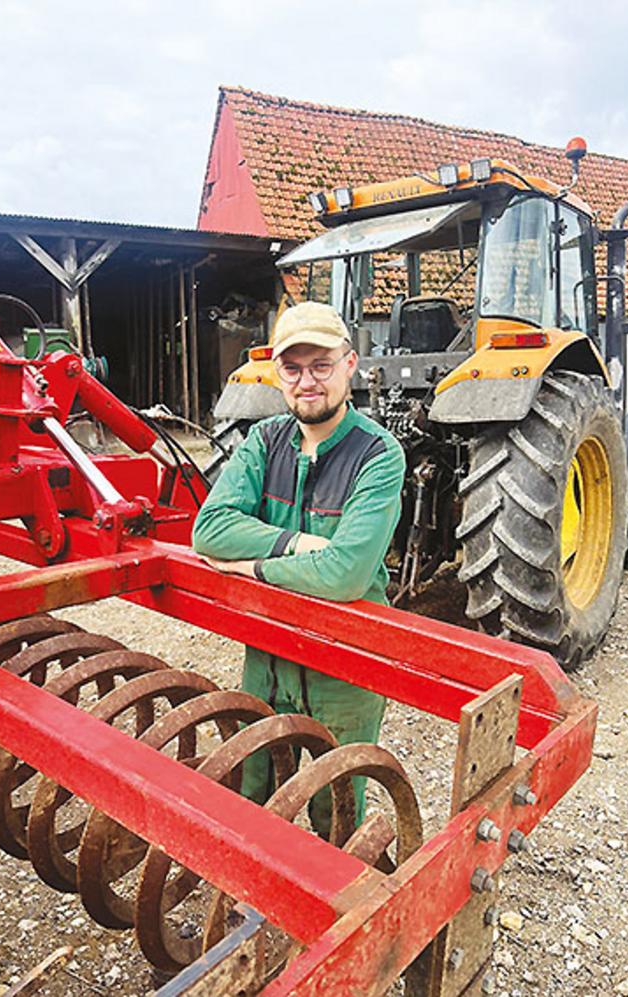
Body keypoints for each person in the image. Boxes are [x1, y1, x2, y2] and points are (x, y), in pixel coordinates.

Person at [192, 301, 405, 835]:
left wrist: (249, 567)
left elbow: (345, 575)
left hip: (344, 660)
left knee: (334, 805)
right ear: (277, 374)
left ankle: (329, 904)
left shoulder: (379, 455)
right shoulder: (263, 441)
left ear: (350, 365)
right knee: (252, 783)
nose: (307, 381)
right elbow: (207, 530)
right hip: (266, 652)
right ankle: (249, 892)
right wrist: (295, 543)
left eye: (321, 365)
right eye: (293, 368)